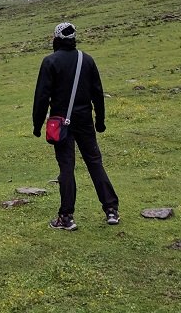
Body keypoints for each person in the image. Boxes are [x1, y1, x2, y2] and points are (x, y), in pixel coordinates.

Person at [32, 21, 119, 230]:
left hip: (61, 122)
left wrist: (37, 124)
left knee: (66, 167)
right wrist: (100, 120)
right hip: (85, 120)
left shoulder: (50, 62)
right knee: (94, 162)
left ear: (56, 39)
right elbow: (97, 93)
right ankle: (111, 210)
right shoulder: (86, 60)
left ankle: (66, 216)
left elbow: (42, 96)